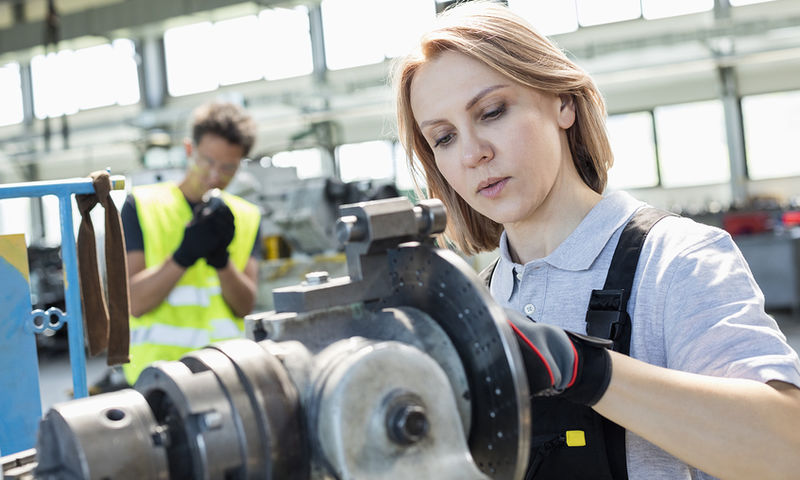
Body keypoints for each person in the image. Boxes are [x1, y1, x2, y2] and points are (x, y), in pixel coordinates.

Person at [392, 2, 800, 479]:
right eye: (443, 138)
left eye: (492, 111)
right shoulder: (479, 303)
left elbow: (785, 450)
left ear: (562, 102)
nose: (473, 153)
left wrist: (584, 369)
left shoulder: (674, 261)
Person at [119, 101, 262, 385]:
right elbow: (133, 302)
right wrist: (183, 257)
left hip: (225, 372)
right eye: (207, 161)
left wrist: (221, 261)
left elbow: (244, 306)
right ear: (189, 150)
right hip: (159, 377)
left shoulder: (247, 216)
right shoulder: (142, 205)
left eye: (228, 167)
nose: (214, 175)